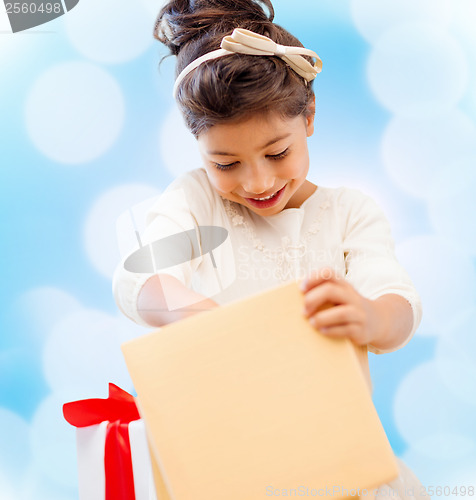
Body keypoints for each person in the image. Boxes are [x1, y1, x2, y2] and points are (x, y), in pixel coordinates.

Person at [113, 1, 426, 498]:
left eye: (276, 153)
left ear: (309, 117)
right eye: (225, 163)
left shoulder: (347, 214)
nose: (257, 181)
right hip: (236, 472)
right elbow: (136, 280)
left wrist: (370, 317)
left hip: (342, 472)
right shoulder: (197, 203)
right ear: (198, 150)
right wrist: (214, 324)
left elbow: (399, 307)